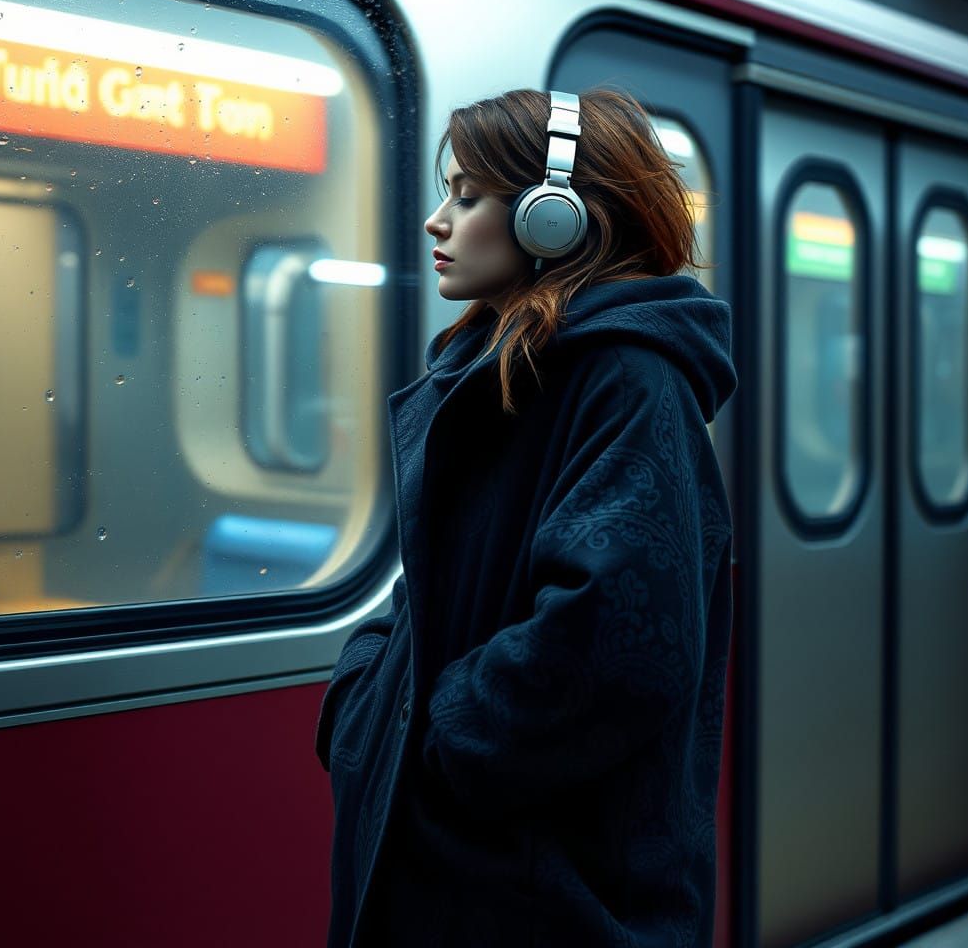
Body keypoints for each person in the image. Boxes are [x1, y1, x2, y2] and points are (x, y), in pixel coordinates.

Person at [315, 87, 737, 947]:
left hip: (539, 892)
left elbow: (619, 648)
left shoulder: (625, 379)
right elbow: (433, 584)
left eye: (468, 196)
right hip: (475, 874)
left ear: (557, 218)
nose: (438, 221)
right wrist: (368, 689)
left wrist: (435, 742)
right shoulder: (503, 370)